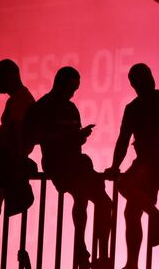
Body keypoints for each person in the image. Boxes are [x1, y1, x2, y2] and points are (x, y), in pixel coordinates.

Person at [24, 67, 112, 269]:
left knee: (105, 203)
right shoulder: (43, 107)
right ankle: (81, 249)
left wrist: (79, 137)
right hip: (57, 163)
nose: (73, 93)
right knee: (81, 195)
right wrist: (68, 137)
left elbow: (73, 142)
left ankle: (103, 254)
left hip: (77, 161)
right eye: (72, 87)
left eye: (76, 88)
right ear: (60, 84)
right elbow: (33, 138)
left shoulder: (71, 109)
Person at [105, 64, 159, 269]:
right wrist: (115, 165)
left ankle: (158, 218)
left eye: (146, 76)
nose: (146, 80)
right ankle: (133, 262)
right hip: (148, 164)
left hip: (157, 164)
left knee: (124, 186)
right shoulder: (143, 106)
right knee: (131, 212)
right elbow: (123, 141)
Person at [0, 59, 37, 216]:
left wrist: (18, 158)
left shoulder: (21, 100)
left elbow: (16, 132)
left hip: (8, 157)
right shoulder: (17, 99)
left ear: (9, 76)